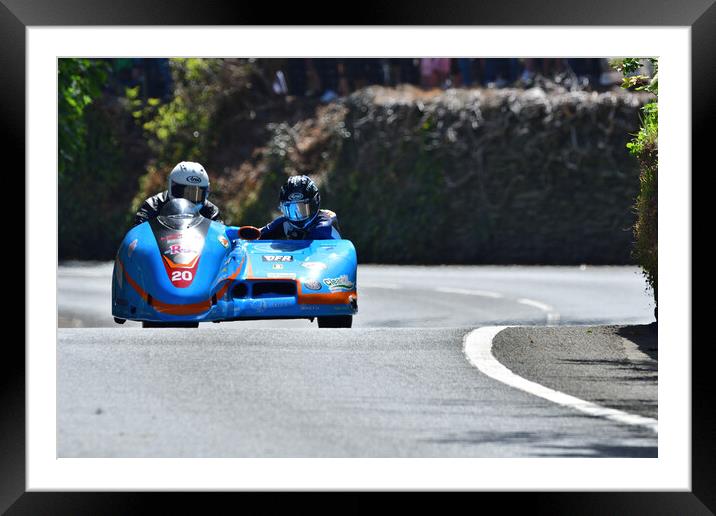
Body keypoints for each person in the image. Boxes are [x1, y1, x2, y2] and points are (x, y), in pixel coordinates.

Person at [134, 161, 222, 226]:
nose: (188, 201)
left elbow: (221, 236)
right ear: (171, 187)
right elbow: (137, 234)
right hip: (159, 250)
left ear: (206, 192)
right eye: (183, 193)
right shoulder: (152, 206)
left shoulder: (211, 212)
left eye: (196, 194)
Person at [259, 175, 341, 240]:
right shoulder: (285, 222)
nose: (296, 215)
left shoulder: (323, 226)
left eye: (302, 209)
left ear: (313, 204)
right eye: (290, 210)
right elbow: (257, 234)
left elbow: (304, 249)